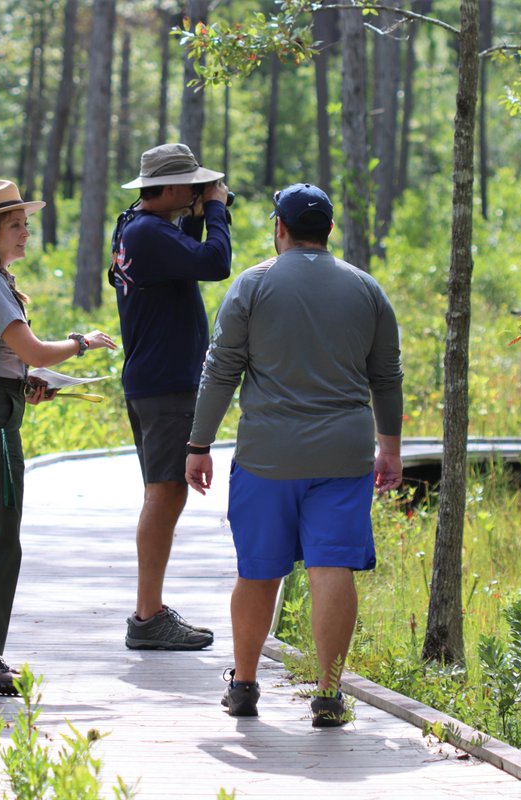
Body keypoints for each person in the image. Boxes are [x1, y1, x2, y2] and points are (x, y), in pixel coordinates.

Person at [184, 183, 404, 727]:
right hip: (345, 456)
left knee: (259, 571)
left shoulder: (252, 286)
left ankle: (245, 684)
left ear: (279, 228)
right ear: (329, 230)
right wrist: (390, 446)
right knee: (333, 567)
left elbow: (220, 372)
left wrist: (199, 443)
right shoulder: (367, 289)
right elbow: (387, 377)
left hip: (267, 457)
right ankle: (328, 694)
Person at [0, 179, 116, 695]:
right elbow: (37, 350)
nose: (25, 232)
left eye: (25, 223)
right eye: (15, 225)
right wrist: (81, 343)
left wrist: (22, 382)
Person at [110, 143, 233, 651]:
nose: (199, 191)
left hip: (152, 378)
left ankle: (150, 611)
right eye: (193, 184)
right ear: (172, 187)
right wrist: (218, 211)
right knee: (165, 492)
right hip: (165, 383)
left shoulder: (133, 226)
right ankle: (147, 617)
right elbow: (215, 262)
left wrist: (198, 212)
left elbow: (182, 261)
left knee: (164, 491)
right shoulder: (148, 232)